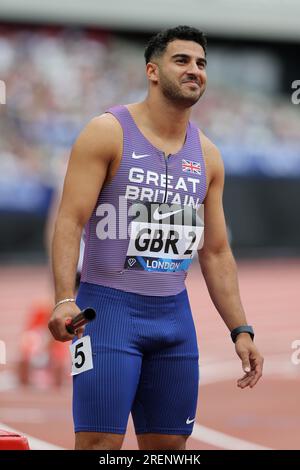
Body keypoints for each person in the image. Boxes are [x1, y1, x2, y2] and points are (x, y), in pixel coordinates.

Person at [48, 25, 264, 451]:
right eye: (181, 60)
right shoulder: (107, 132)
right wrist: (62, 298)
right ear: (152, 70)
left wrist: (241, 329)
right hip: (105, 314)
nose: (194, 70)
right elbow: (70, 221)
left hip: (174, 321)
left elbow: (217, 252)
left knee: (169, 448)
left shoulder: (208, 156)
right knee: (96, 444)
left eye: (201, 63)